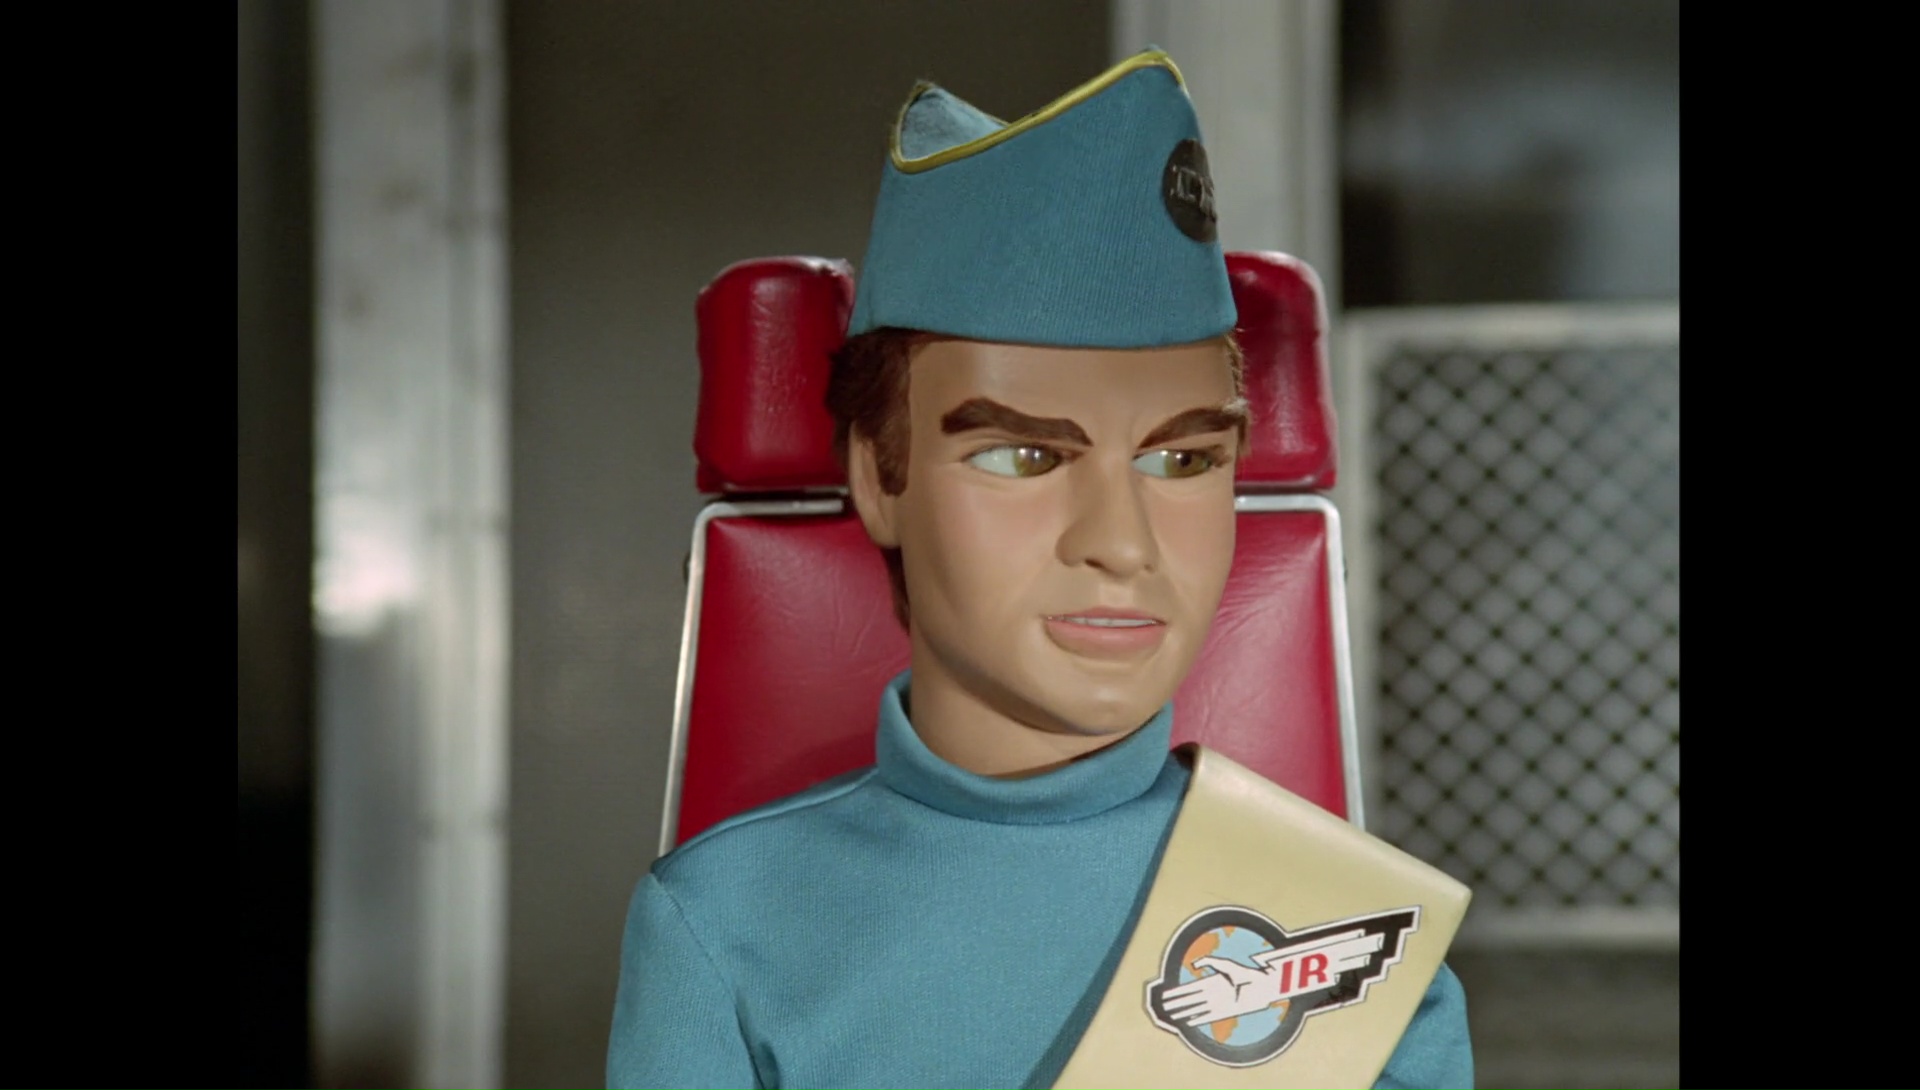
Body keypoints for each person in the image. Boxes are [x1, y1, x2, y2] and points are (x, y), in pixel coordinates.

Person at [609, 49, 1472, 1089]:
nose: (1122, 541)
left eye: (1183, 460)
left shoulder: (1352, 936)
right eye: (1023, 456)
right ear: (879, 478)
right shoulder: (724, 925)